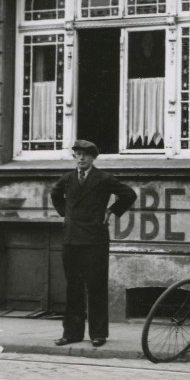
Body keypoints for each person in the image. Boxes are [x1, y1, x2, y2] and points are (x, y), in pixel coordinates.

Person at [50, 139, 137, 348]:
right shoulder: (68, 179)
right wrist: (65, 214)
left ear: (93, 158)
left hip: (94, 240)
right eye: (78, 154)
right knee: (73, 288)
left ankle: (98, 334)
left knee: (96, 287)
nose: (81, 158)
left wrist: (111, 211)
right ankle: (72, 333)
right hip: (71, 240)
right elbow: (55, 193)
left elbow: (129, 194)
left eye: (85, 155)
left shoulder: (103, 178)